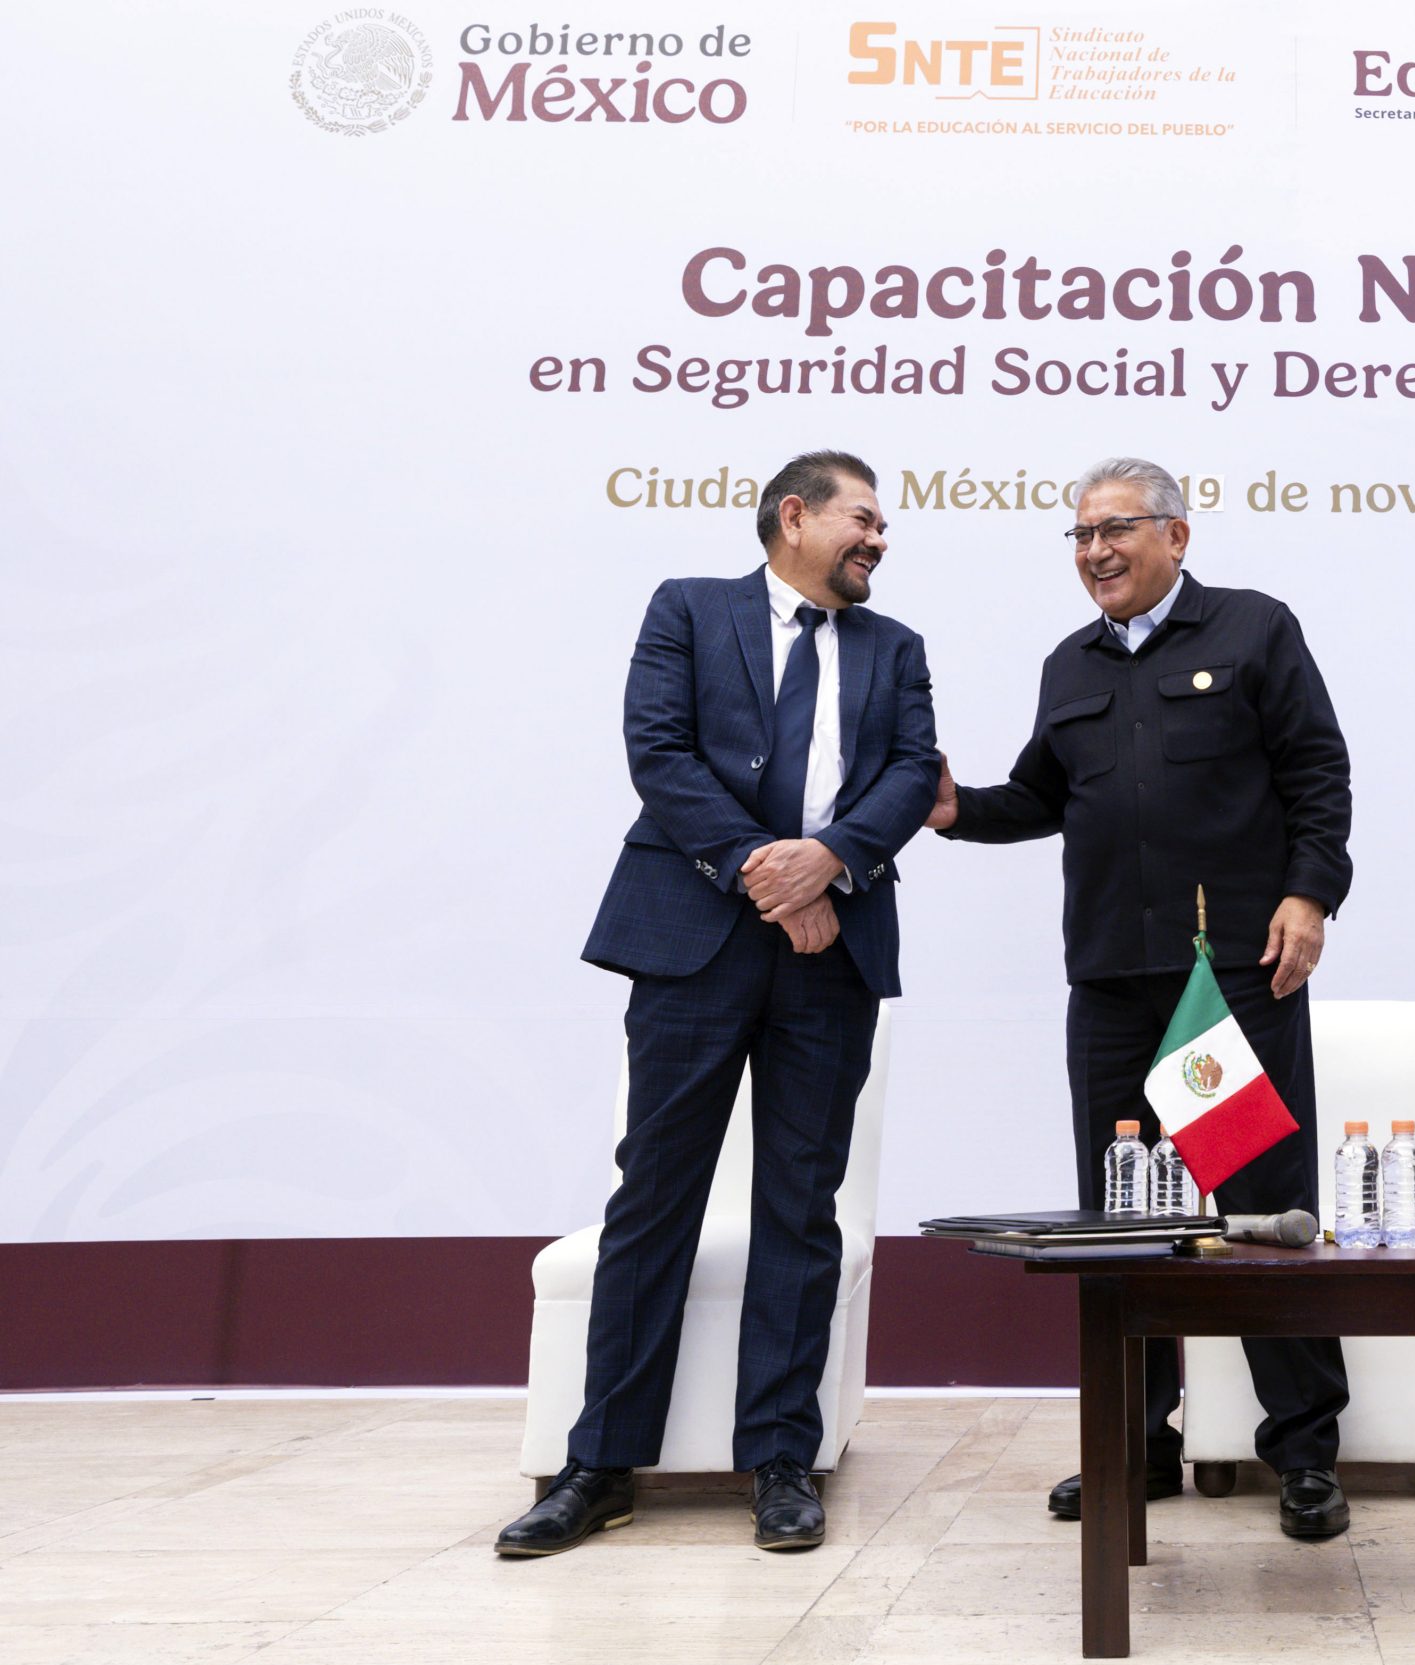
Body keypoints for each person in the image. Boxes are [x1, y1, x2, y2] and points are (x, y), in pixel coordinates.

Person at [496, 450, 938, 1557]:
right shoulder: (690, 610)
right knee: (655, 1194)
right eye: (863, 518)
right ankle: (600, 1462)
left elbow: (909, 771)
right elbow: (660, 752)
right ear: (795, 516)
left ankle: (782, 1459)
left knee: (802, 1202)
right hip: (695, 942)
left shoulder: (895, 646)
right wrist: (761, 871)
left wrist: (826, 862)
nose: (879, 539)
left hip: (831, 951)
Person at [927, 455, 1355, 1540]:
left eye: (1115, 529)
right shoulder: (1067, 664)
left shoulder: (1253, 629)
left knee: (1258, 1210)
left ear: (1176, 534)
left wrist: (1310, 893)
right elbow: (1042, 796)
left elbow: (1317, 772)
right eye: (1080, 536)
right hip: (1113, 981)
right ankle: (1137, 1443)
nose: (1096, 552)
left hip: (1229, 978)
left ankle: (1305, 1453)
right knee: (1122, 1219)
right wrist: (957, 808)